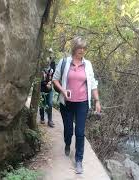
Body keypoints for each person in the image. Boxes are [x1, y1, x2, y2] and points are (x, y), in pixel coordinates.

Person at [52, 36, 101, 174]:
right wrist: (63, 90)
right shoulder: (64, 62)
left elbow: (93, 83)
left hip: (82, 103)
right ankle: (67, 143)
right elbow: (55, 80)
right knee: (69, 130)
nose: (82, 51)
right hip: (66, 103)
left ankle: (79, 160)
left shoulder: (88, 64)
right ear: (74, 48)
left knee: (80, 132)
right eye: (80, 48)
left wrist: (97, 100)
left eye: (84, 49)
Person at [39, 49, 56, 127]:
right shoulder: (41, 66)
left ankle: (50, 120)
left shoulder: (53, 65)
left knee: (49, 103)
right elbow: (39, 79)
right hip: (42, 88)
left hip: (50, 88)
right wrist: (45, 83)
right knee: (42, 103)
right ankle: (42, 118)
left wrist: (51, 82)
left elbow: (55, 75)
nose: (48, 61)